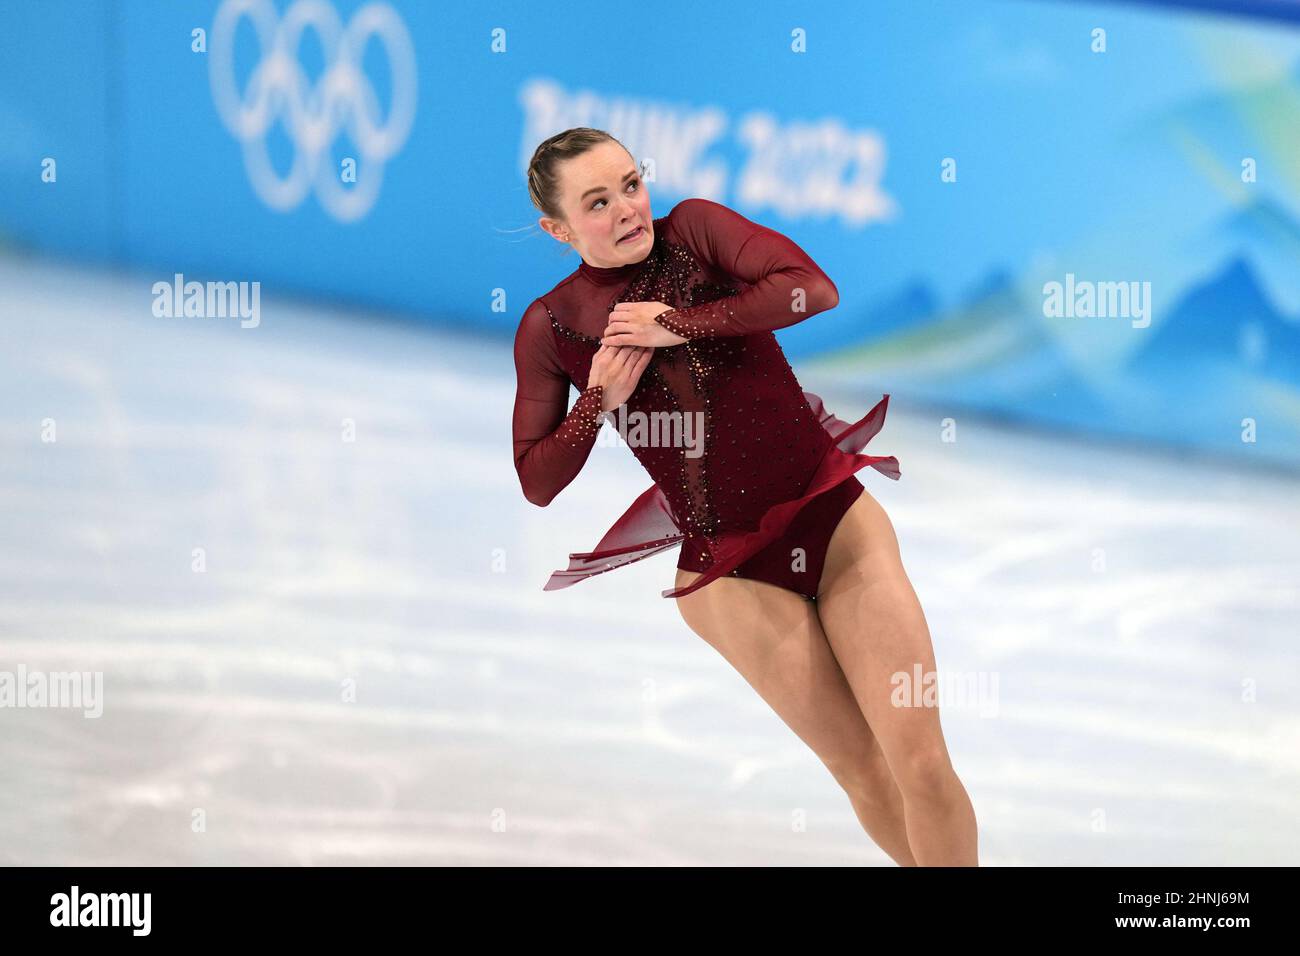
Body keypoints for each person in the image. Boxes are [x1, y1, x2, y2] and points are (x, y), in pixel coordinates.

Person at [512, 127, 977, 866]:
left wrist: (678, 324)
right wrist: (595, 400)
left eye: (632, 184)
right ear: (558, 228)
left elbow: (810, 287)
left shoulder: (694, 233)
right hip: (729, 576)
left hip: (834, 523)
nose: (629, 209)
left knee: (918, 760)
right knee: (860, 765)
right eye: (598, 203)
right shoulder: (552, 326)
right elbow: (536, 480)